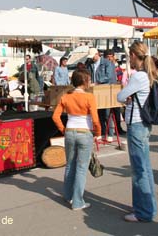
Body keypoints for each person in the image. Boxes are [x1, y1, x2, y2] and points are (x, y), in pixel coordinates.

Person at [117, 41, 157, 223]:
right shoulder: (147, 74)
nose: (129, 60)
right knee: (145, 168)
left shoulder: (138, 76)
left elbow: (120, 96)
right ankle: (148, 206)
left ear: (134, 55)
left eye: (129, 56)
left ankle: (143, 211)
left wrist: (127, 96)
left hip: (136, 124)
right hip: (144, 124)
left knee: (139, 170)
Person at [52, 69, 101, 211]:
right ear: (85, 81)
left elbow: (55, 117)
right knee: (81, 167)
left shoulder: (65, 97)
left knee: (70, 165)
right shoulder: (89, 97)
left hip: (70, 132)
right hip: (84, 133)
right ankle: (78, 202)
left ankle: (68, 195)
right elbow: (96, 119)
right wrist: (98, 132)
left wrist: (63, 129)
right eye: (89, 79)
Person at [95, 49, 117, 138]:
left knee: (108, 114)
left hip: (108, 90)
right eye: (108, 57)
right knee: (100, 113)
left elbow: (108, 76)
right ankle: (103, 132)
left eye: (111, 56)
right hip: (99, 90)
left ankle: (110, 133)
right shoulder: (93, 64)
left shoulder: (108, 64)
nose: (110, 58)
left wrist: (98, 81)